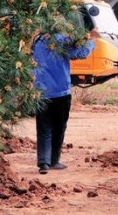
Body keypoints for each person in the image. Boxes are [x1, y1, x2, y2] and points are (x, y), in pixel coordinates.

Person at [32, 27, 99, 175]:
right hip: (60, 91)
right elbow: (80, 53)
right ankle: (54, 160)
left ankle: (44, 163)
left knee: (44, 128)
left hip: (40, 91)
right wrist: (92, 40)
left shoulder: (36, 41)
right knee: (59, 127)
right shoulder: (61, 39)